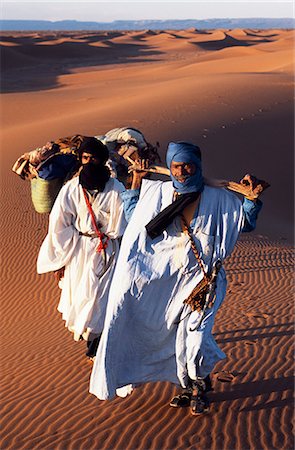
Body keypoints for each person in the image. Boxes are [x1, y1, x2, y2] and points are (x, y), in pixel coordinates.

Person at [89, 141, 264, 415]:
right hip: (165, 284)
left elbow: (244, 222)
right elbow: (136, 218)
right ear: (169, 168)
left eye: (187, 166)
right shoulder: (157, 194)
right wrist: (136, 180)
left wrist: (251, 199)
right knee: (174, 338)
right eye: (176, 167)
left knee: (195, 338)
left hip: (203, 283)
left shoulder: (219, 198)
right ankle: (188, 385)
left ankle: (198, 388)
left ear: (198, 165)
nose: (182, 172)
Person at [37, 137, 127, 358]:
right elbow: (59, 224)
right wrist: (61, 260)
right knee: (82, 296)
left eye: (94, 158)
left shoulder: (116, 188)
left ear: (103, 160)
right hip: (80, 252)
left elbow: (123, 224)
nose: (89, 162)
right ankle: (92, 340)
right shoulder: (71, 189)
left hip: (108, 251)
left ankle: (97, 346)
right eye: (85, 158)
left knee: (102, 297)